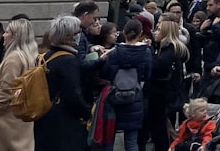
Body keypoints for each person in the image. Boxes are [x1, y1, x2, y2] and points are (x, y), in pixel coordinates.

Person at [33, 15, 93, 151]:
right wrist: (87, 113)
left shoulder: (46, 56)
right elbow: (73, 94)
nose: (80, 35)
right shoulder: (68, 60)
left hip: (44, 116)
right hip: (64, 122)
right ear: (67, 37)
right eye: (77, 32)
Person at [0, 18, 38, 151]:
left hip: (4, 123)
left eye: (7, 32)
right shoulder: (29, 56)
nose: (4, 35)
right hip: (19, 119)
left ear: (15, 36)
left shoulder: (14, 58)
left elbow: (7, 90)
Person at [102, 18, 153, 151]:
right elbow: (147, 75)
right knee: (131, 141)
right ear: (140, 33)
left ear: (124, 32)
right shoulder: (146, 52)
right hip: (135, 97)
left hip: (115, 96)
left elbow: (107, 73)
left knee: (109, 138)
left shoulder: (115, 52)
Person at [142, 18, 190, 151]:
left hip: (161, 96)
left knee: (160, 130)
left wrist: (149, 50)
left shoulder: (168, 52)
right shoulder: (168, 49)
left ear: (166, 32)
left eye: (158, 30)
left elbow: (156, 68)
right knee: (160, 128)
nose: (154, 32)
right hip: (162, 95)